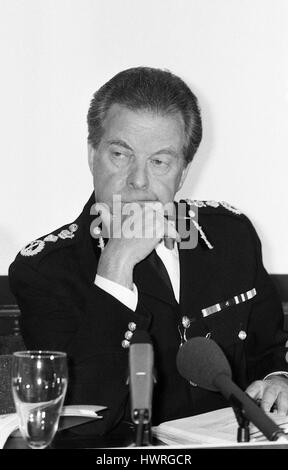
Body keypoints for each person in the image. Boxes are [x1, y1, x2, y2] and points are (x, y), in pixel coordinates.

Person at [9, 67, 288, 436]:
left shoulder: (229, 236)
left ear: (183, 172)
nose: (139, 181)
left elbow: (270, 349)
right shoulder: (46, 271)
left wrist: (279, 379)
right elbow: (79, 426)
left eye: (160, 161)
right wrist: (115, 267)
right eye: (121, 154)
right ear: (92, 154)